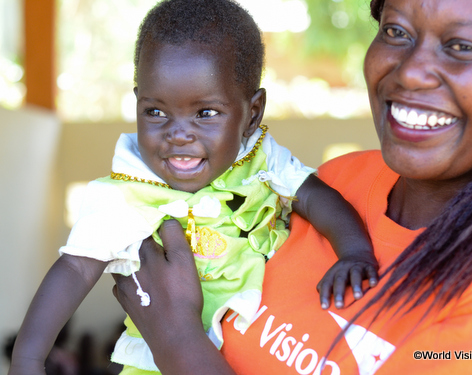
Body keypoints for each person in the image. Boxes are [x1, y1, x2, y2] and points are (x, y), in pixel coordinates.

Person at [109, 0, 472, 373]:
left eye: (463, 46)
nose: (411, 71)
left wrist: (177, 341)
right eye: (396, 31)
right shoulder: (336, 185)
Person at [8, 1, 378, 374]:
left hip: (260, 354)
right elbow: (74, 268)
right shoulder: (126, 192)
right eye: (156, 112)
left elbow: (313, 195)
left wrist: (354, 251)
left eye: (205, 113)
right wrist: (28, 358)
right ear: (137, 104)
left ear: (253, 114)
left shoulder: (261, 159)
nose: (178, 134)